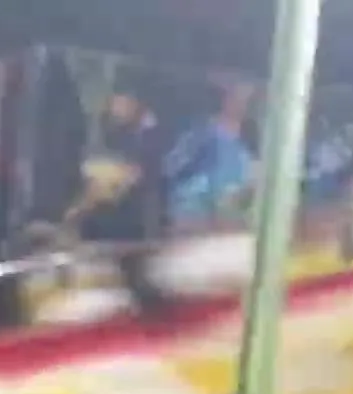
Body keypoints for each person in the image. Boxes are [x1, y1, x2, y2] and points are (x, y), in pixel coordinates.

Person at [71, 90, 170, 316]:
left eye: (120, 100)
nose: (114, 107)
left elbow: (136, 175)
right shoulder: (111, 135)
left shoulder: (153, 137)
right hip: (111, 228)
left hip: (136, 227)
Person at [163, 79, 258, 233]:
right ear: (225, 100)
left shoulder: (249, 142)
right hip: (195, 219)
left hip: (231, 222)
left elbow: (247, 184)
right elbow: (170, 167)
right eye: (237, 97)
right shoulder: (200, 134)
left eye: (247, 99)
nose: (242, 104)